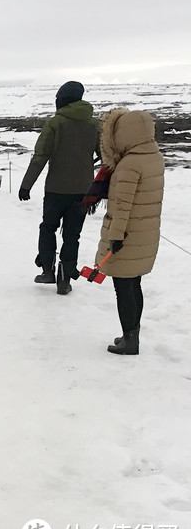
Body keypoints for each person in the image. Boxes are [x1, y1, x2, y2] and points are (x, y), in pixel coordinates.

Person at [18, 81, 100, 294]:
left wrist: (26, 186)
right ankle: (65, 280)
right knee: (72, 235)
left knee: (48, 227)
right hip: (84, 189)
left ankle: (47, 271)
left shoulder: (55, 123)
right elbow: (105, 154)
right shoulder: (95, 124)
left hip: (56, 188)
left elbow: (40, 156)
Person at [94, 108, 164, 355]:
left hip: (127, 235)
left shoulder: (128, 165)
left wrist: (115, 236)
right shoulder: (153, 155)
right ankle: (132, 333)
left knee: (123, 288)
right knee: (134, 285)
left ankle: (129, 340)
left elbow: (122, 206)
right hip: (145, 233)